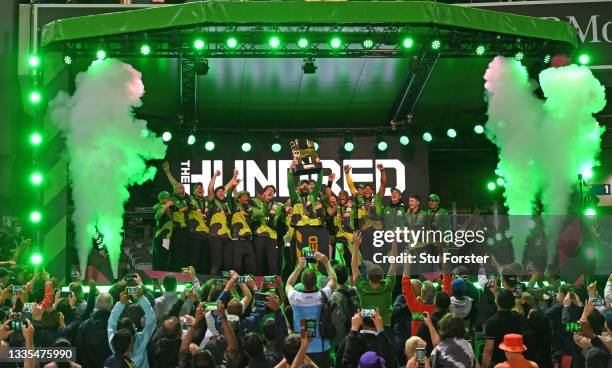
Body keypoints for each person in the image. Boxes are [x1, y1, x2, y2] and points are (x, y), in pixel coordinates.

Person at [286, 252, 337, 368]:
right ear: (316, 282)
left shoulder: (294, 297)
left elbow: (289, 283)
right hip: (322, 347)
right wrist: (325, 261)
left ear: (302, 283)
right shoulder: (322, 295)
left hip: (301, 349)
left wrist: (299, 267)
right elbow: (333, 279)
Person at [352, 231, 397, 329]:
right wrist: (394, 243)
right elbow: (394, 264)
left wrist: (356, 246)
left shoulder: (362, 288)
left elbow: (354, 267)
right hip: (385, 327)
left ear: (367, 277)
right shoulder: (388, 285)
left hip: (367, 327)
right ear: (382, 277)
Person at [107, 286, 156, 368]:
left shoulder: (113, 343)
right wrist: (142, 298)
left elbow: (111, 323)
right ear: (135, 331)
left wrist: (121, 303)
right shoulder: (141, 340)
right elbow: (152, 320)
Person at [206, 169, 240, 275]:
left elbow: (228, 188)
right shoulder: (212, 202)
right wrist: (215, 175)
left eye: (222, 192)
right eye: (218, 192)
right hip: (216, 236)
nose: (221, 193)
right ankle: (212, 286)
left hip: (227, 236)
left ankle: (227, 287)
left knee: (227, 264)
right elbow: (210, 188)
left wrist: (234, 177)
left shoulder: (226, 205)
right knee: (217, 264)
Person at [483, 289, 526, 368]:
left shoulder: (492, 322)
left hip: (498, 363)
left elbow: (489, 350)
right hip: (517, 363)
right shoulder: (518, 317)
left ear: (496, 302)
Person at [252, 185, 284, 276]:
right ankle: (258, 287)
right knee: (259, 263)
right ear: (264, 193)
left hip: (272, 238)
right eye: (268, 190)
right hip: (259, 237)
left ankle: (272, 287)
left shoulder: (278, 206)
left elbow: (282, 220)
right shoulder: (255, 202)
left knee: (273, 265)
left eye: (273, 191)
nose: (270, 191)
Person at [76, 292, 114, 368]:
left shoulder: (84, 325)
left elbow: (79, 351)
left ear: (96, 305)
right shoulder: (117, 325)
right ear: (111, 306)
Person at [231, 191, 256, 274]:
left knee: (251, 266)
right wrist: (233, 187)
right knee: (237, 266)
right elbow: (229, 195)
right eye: (244, 196)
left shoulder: (250, 210)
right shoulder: (234, 207)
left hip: (248, 241)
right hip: (237, 241)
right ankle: (235, 285)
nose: (247, 198)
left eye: (247, 196)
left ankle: (250, 285)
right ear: (238, 199)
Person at [152, 191, 174, 271]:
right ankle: (157, 277)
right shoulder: (159, 207)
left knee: (165, 256)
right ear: (162, 199)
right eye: (166, 198)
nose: (169, 199)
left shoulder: (170, 209)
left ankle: (164, 276)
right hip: (160, 237)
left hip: (166, 238)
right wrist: (166, 206)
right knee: (159, 258)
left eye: (168, 198)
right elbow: (157, 217)